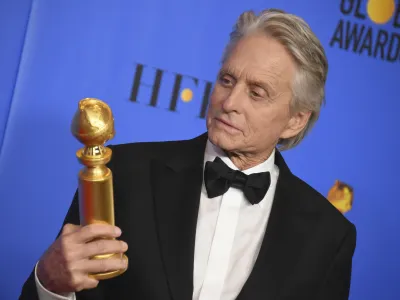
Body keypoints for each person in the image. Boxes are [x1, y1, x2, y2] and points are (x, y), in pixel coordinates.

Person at [19, 8, 357, 300]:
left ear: (295, 120)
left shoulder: (328, 236)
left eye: (256, 93)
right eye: (227, 80)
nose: (230, 102)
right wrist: (50, 283)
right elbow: (69, 285)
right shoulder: (122, 174)